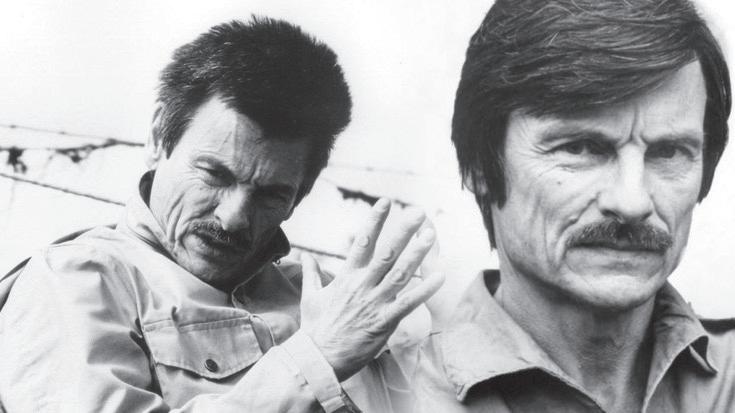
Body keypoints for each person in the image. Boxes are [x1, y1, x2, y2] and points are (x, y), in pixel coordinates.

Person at [0, 17, 443, 412]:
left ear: (300, 196)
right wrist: (315, 359)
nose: (234, 218)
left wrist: (439, 336)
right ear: (158, 137)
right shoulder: (78, 279)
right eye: (214, 174)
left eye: (271, 195)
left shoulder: (336, 302)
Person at [409, 0, 734, 412]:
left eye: (668, 152)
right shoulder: (384, 395)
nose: (632, 202)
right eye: (581, 148)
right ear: (479, 166)